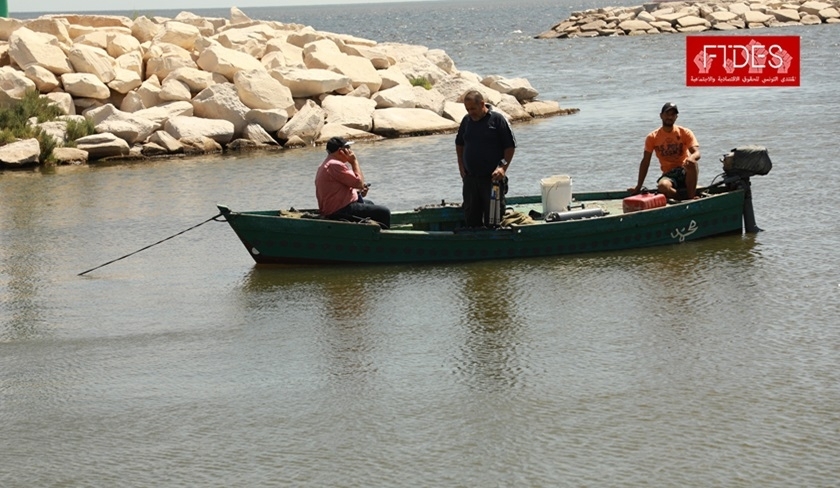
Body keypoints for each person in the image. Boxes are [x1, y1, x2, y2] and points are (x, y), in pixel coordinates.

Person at [455, 90, 517, 227]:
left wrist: (502, 167)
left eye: (473, 108)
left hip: (492, 180)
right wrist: (460, 164)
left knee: (494, 222)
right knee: (471, 220)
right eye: (468, 109)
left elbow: (510, 147)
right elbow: (459, 143)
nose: (471, 112)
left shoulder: (498, 120)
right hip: (470, 180)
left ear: (482, 104)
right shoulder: (466, 121)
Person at [629, 102, 701, 200]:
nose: (670, 117)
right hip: (669, 174)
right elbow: (645, 162)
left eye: (673, 115)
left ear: (676, 117)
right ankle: (682, 198)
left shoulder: (685, 132)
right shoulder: (652, 137)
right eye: (667, 114)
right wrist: (638, 186)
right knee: (662, 186)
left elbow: (696, 153)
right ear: (661, 116)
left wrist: (691, 158)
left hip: (684, 171)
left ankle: (691, 197)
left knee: (692, 163)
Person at [315, 136, 391, 228]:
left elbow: (340, 190)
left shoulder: (327, 164)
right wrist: (354, 161)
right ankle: (382, 239)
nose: (351, 151)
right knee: (384, 212)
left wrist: (358, 193)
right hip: (339, 210)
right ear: (341, 151)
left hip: (336, 208)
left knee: (369, 204)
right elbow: (359, 183)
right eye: (348, 148)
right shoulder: (335, 165)